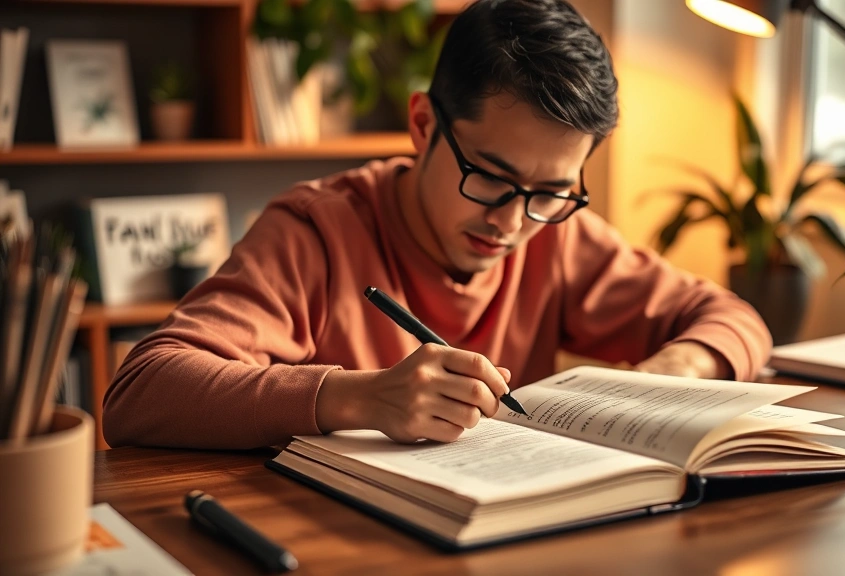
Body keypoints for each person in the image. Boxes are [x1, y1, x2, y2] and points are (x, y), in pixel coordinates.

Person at [103, 0, 772, 450]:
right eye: (487, 174)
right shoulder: (316, 231)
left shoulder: (557, 234)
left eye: (550, 191)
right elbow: (140, 390)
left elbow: (732, 317)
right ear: (423, 126)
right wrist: (354, 398)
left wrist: (678, 367)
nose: (512, 221)